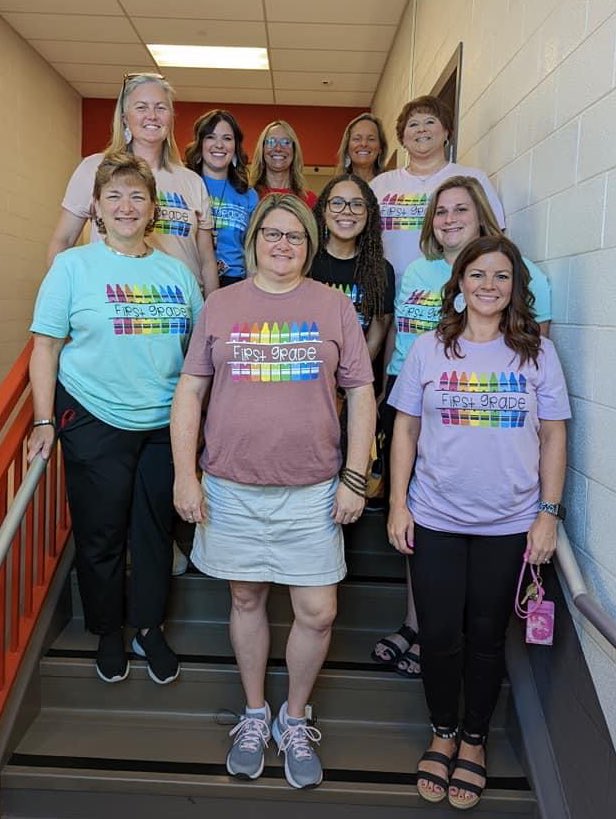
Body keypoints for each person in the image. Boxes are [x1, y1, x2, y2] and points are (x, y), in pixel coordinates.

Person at [170, 194, 375, 789]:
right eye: (271, 234)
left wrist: (355, 476)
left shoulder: (335, 307)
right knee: (246, 599)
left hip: (312, 489)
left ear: (309, 246)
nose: (282, 244)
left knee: (318, 610)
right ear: (254, 239)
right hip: (233, 487)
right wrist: (188, 473)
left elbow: (361, 393)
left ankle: (296, 715)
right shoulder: (220, 305)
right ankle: (256, 713)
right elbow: (189, 392)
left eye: (295, 236)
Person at [387, 235, 569, 809]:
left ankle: (474, 738)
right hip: (436, 516)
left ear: (516, 287)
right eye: (477, 275)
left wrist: (548, 513)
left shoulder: (536, 353)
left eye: (501, 276)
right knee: (439, 636)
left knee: (488, 638)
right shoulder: (428, 349)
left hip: (509, 523)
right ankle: (443, 729)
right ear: (459, 283)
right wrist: (397, 503)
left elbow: (555, 435)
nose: (488, 286)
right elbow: (406, 431)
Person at [28, 153, 203, 686]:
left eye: (137, 196)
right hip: (93, 417)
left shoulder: (176, 272)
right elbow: (46, 346)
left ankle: (148, 628)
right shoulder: (72, 267)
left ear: (153, 207)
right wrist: (41, 420)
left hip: (160, 423)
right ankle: (108, 629)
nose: (126, 206)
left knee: (153, 533)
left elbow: (198, 350)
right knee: (101, 532)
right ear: (97, 210)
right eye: (114, 197)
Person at [372, 175, 553, 678]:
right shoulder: (417, 271)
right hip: (415, 397)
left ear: (482, 218)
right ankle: (416, 624)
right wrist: (388, 385)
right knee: (417, 522)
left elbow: (529, 369)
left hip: (484, 429)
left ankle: (442, 640)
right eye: (441, 211)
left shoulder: (523, 275)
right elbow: (404, 337)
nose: (449, 219)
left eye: (461, 210)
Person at [47, 72, 218, 294]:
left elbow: (206, 261)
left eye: (160, 107)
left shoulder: (192, 181)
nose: (152, 115)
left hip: (180, 309)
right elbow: (63, 240)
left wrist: (209, 315)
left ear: (171, 117)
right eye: (141, 107)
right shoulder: (95, 168)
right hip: (114, 303)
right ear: (125, 118)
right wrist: (61, 298)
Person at [370, 95, 505, 292]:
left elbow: (494, 238)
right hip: (388, 293)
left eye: (430, 121)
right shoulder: (380, 184)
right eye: (413, 124)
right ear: (402, 138)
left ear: (446, 132)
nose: (421, 129)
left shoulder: (472, 179)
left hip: (457, 291)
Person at [311, 173, 394, 360]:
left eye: (357, 204)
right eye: (337, 202)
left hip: (357, 378)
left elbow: (375, 341)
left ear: (368, 213)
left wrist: (348, 381)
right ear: (324, 210)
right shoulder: (305, 262)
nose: (347, 211)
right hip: (310, 376)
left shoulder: (381, 271)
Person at [185, 109, 258, 292]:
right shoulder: (185, 186)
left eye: (227, 138)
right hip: (191, 278)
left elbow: (252, 249)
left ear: (235, 147)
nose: (219, 145)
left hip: (235, 282)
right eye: (211, 137)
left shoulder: (248, 195)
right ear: (200, 143)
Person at [250, 120, 317, 208]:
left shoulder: (309, 200)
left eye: (285, 142)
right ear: (262, 149)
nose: (278, 148)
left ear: (294, 150)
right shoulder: (248, 197)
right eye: (271, 142)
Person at [335, 113, 388, 183]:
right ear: (347, 147)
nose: (364, 144)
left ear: (380, 148)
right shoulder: (336, 188)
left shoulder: (391, 184)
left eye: (371, 139)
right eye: (357, 139)